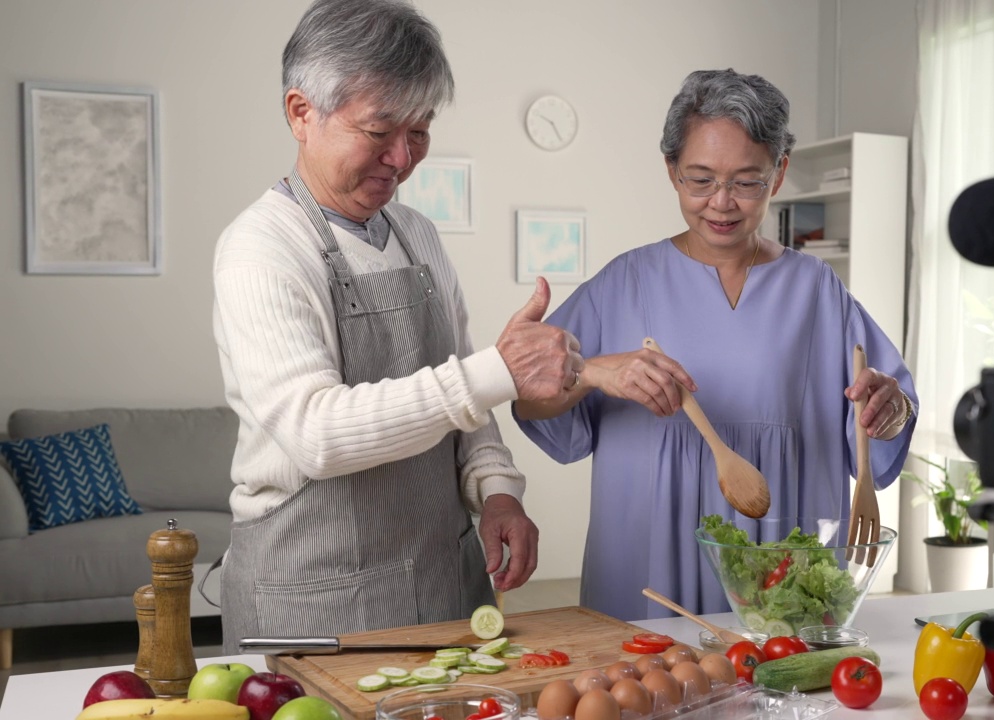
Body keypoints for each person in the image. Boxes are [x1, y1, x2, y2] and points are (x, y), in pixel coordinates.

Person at [210, 0, 583, 652]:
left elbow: (467, 396)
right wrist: (499, 369)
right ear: (302, 114)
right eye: (379, 130)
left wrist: (497, 491)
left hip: (442, 578)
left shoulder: (418, 235)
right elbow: (317, 433)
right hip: (314, 596)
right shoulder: (261, 247)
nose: (403, 158)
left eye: (421, 130)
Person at [513, 69, 917, 621]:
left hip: (779, 554)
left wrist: (889, 409)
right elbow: (528, 400)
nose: (721, 203)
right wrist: (592, 371)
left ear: (778, 175)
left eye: (746, 182)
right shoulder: (623, 282)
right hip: (645, 554)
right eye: (699, 180)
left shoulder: (817, 290)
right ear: (671, 172)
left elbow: (884, 422)